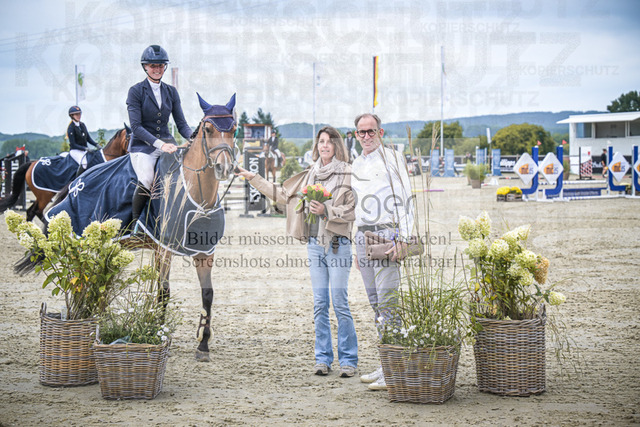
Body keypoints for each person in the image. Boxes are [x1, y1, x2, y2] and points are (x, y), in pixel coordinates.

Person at [236, 126, 358, 378]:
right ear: (317, 146)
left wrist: (327, 211)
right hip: (314, 244)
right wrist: (253, 178)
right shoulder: (309, 174)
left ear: (337, 146)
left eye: (329, 141)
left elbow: (352, 210)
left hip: (338, 245)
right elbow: (282, 195)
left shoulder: (347, 173)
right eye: (321, 141)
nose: (324, 146)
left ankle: (348, 360)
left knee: (339, 303)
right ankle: (322, 359)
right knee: (320, 304)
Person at [350, 113, 414, 391]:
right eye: (361, 132)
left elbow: (406, 199)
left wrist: (404, 238)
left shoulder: (393, 159)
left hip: (387, 234)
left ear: (381, 132)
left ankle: (395, 369)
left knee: (388, 303)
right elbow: (357, 204)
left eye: (371, 131)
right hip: (363, 235)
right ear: (356, 135)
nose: (366, 136)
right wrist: (357, 246)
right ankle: (387, 362)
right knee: (376, 303)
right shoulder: (356, 163)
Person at [126, 45, 192, 229]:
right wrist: (160, 145)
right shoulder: (135, 91)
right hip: (143, 146)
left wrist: (194, 137)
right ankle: (136, 225)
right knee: (147, 179)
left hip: (168, 144)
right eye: (152, 65)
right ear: (145, 67)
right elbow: (136, 127)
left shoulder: (171, 92)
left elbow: (181, 124)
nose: (157, 69)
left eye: (160, 65)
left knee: (185, 177)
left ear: (165, 67)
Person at [66, 106, 100, 175]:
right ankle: (77, 179)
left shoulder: (82, 125)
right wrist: (85, 148)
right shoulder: (71, 128)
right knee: (84, 163)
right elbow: (73, 144)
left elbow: (88, 138)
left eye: (79, 114)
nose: (79, 116)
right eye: (76, 114)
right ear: (72, 116)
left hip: (83, 150)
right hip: (75, 151)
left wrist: (96, 145)